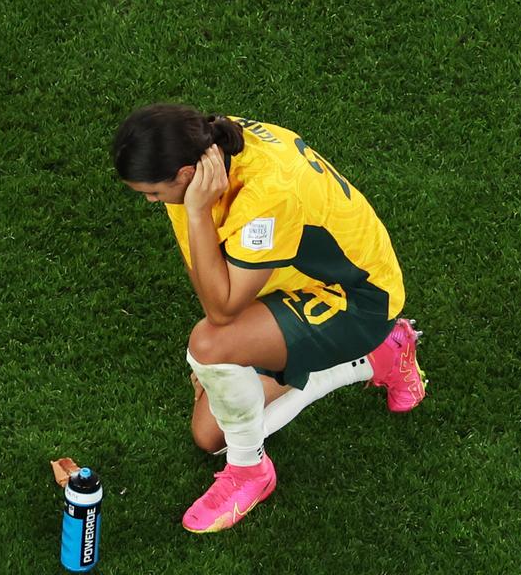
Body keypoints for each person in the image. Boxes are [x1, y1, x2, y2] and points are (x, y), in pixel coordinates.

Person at [111, 104, 427, 533]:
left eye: (151, 192)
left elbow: (220, 310)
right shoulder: (207, 150)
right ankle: (382, 356)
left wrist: (198, 214)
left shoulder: (261, 192)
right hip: (291, 279)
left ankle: (250, 472)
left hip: (357, 298)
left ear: (185, 174)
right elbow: (208, 278)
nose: (150, 201)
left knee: (209, 346)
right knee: (210, 435)